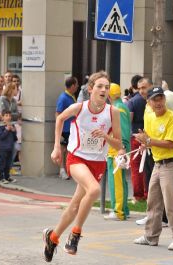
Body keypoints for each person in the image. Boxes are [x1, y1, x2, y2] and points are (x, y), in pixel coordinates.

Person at [42, 71, 124, 262]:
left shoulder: (113, 112)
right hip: (77, 158)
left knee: (74, 206)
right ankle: (75, 234)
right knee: (94, 190)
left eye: (106, 86)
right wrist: (56, 148)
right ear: (91, 89)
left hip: (97, 163)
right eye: (100, 86)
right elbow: (60, 118)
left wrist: (105, 137)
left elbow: (119, 144)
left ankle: (52, 237)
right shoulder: (80, 107)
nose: (104, 90)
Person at [133, 87, 173, 251]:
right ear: (148, 102)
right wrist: (144, 144)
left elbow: (171, 144)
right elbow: (148, 137)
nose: (158, 102)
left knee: (171, 204)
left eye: (161, 98)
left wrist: (149, 141)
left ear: (165, 99)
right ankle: (151, 237)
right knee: (153, 202)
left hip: (172, 164)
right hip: (158, 163)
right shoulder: (148, 116)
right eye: (154, 99)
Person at [104, 83, 131, 221]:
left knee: (116, 182)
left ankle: (118, 211)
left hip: (116, 151)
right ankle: (123, 209)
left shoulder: (118, 109)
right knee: (120, 181)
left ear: (109, 96)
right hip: (117, 149)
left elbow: (123, 131)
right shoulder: (122, 107)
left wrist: (122, 148)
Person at [55, 76, 79, 180]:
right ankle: (62, 170)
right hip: (65, 129)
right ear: (73, 85)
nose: (77, 86)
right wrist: (59, 132)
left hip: (71, 129)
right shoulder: (63, 97)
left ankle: (69, 169)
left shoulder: (72, 96)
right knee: (63, 150)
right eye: (76, 84)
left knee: (70, 150)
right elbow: (58, 114)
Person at [0, 110, 17, 184]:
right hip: (3, 147)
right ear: (2, 117)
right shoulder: (0, 126)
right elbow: (0, 136)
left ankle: (7, 176)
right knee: (2, 162)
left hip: (10, 147)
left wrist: (13, 131)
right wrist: (6, 130)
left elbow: (15, 138)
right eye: (6, 115)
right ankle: (1, 177)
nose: (8, 117)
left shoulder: (12, 124)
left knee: (8, 163)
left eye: (9, 115)